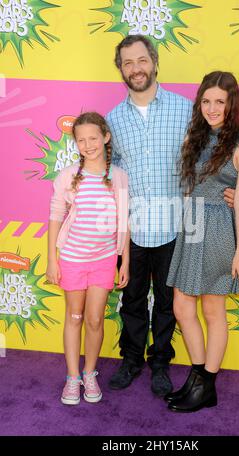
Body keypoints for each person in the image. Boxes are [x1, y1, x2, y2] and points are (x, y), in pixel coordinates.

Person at [106, 35, 235, 397]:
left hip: (179, 224)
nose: (136, 68)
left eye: (142, 60)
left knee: (169, 302)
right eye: (128, 63)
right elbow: (114, 172)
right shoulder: (113, 120)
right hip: (133, 226)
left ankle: (160, 362)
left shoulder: (185, 110)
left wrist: (233, 190)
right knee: (131, 299)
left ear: (155, 62)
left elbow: (219, 152)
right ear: (120, 69)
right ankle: (131, 359)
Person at [165, 71, 239, 412]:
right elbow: (190, 185)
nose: (213, 107)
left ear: (231, 103)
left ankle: (207, 384)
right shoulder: (196, 136)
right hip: (191, 225)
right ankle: (198, 378)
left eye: (220, 101)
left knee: (213, 309)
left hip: (219, 227)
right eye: (206, 101)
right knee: (182, 307)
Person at [46, 112, 130, 405]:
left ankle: (90, 373)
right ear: (76, 144)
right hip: (72, 258)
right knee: (74, 316)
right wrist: (51, 260)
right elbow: (56, 216)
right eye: (81, 140)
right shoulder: (69, 175)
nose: (88, 144)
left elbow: (123, 222)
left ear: (105, 137)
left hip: (104, 260)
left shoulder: (118, 176)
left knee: (94, 319)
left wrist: (124, 261)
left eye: (93, 138)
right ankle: (72, 377)